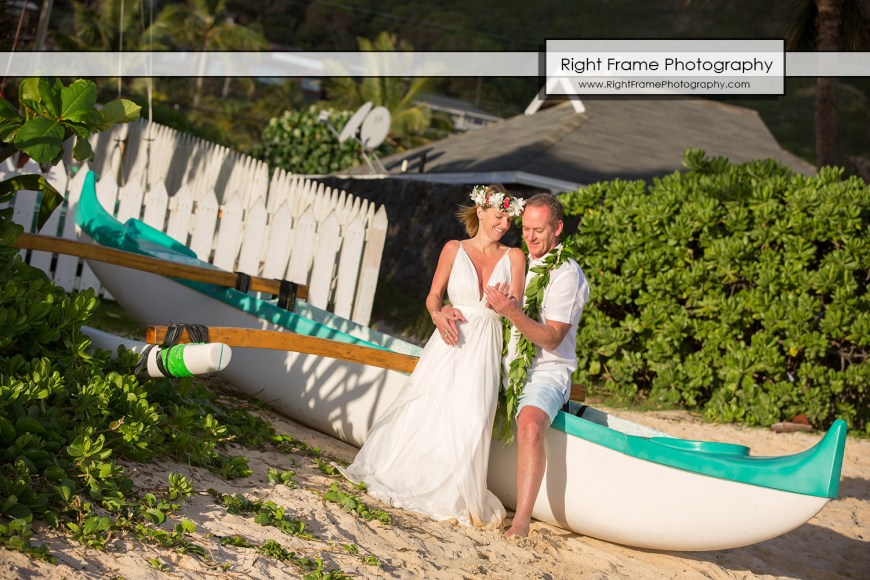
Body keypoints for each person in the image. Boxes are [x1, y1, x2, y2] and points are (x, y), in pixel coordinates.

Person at [342, 184, 527, 527]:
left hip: (485, 344)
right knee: (432, 409)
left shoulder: (515, 257)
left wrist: (506, 305)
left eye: (509, 219)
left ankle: (455, 492)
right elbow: (433, 295)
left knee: (474, 417)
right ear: (481, 211)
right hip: (449, 340)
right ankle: (414, 477)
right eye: (499, 217)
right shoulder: (453, 248)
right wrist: (438, 314)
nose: (505, 225)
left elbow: (516, 308)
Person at [483, 193, 590, 537]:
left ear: (557, 228)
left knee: (529, 427)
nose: (529, 237)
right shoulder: (518, 260)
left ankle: (521, 523)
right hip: (504, 361)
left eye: (538, 230)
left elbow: (552, 339)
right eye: (526, 229)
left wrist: (512, 312)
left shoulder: (566, 274)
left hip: (547, 371)